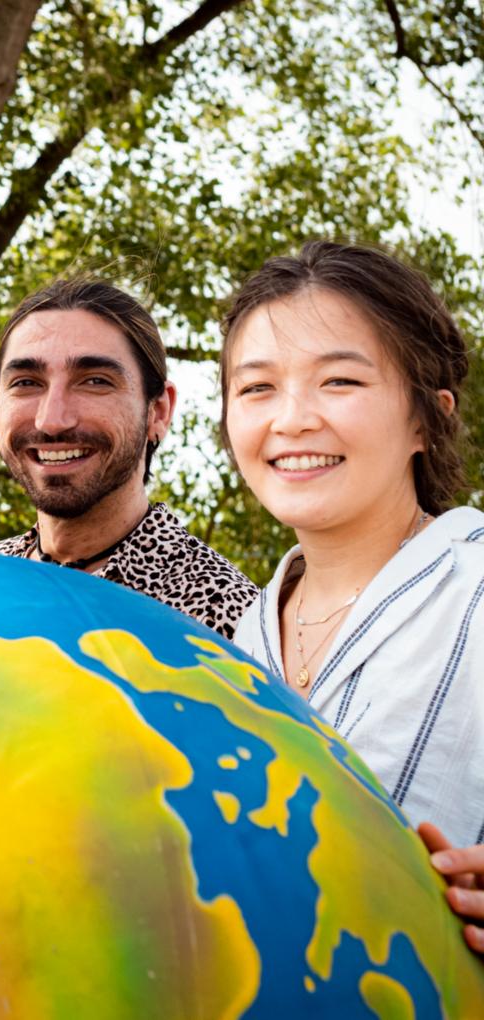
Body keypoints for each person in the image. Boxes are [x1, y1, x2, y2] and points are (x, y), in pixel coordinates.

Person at [222, 240, 484, 950]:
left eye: (339, 381)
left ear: (427, 418)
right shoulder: (235, 645)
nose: (293, 419)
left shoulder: (474, 590)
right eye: (256, 388)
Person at [0, 278, 257, 637]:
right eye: (26, 383)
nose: (51, 420)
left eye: (95, 381)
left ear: (158, 412)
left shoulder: (226, 619)